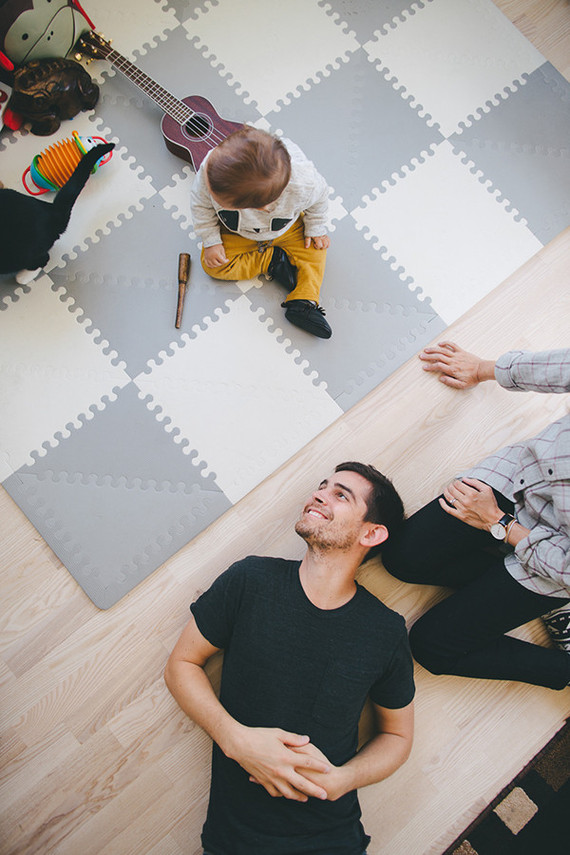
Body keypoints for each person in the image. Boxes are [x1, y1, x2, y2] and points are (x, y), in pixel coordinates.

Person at [165, 462, 415, 855]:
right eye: (322, 486)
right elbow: (181, 665)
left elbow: (397, 736)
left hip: (332, 841)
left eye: (340, 495)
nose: (319, 495)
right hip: (235, 842)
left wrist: (344, 779)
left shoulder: (385, 631)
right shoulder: (251, 580)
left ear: (371, 533)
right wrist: (235, 740)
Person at [382, 343, 570, 690]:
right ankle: (531, 595)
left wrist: (500, 523)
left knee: (431, 646)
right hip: (521, 478)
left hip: (557, 560)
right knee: (402, 559)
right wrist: (483, 369)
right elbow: (562, 366)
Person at [190, 126, 333, 339]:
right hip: (237, 233)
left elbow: (320, 199)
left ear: (263, 208)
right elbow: (200, 205)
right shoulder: (212, 167)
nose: (209, 192)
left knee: (316, 248)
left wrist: (316, 227)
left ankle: (304, 300)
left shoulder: (304, 183)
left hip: (287, 229)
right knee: (212, 265)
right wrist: (212, 241)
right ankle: (271, 261)